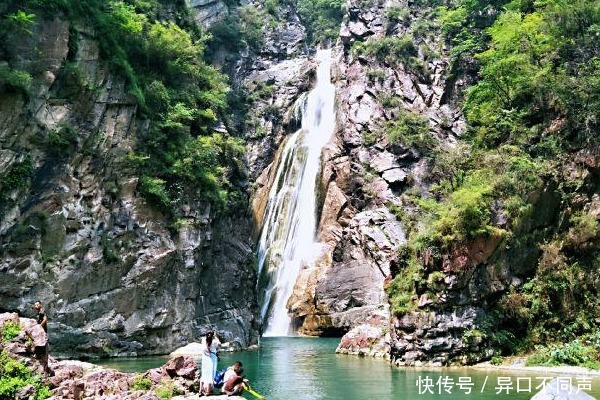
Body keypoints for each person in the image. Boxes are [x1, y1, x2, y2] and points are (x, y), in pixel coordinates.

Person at [200, 331, 221, 395]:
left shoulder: (203, 340)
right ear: (212, 336)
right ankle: (208, 392)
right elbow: (219, 344)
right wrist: (216, 337)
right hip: (212, 359)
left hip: (205, 359)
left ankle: (200, 391)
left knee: (204, 374)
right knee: (211, 375)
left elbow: (206, 342)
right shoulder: (214, 342)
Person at [32, 301, 50, 374]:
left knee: (42, 343)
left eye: (37, 304)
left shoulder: (42, 311)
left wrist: (40, 326)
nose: (36, 306)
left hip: (42, 330)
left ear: (40, 305)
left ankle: (41, 358)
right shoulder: (38, 312)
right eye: (35, 304)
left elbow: (45, 319)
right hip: (41, 330)